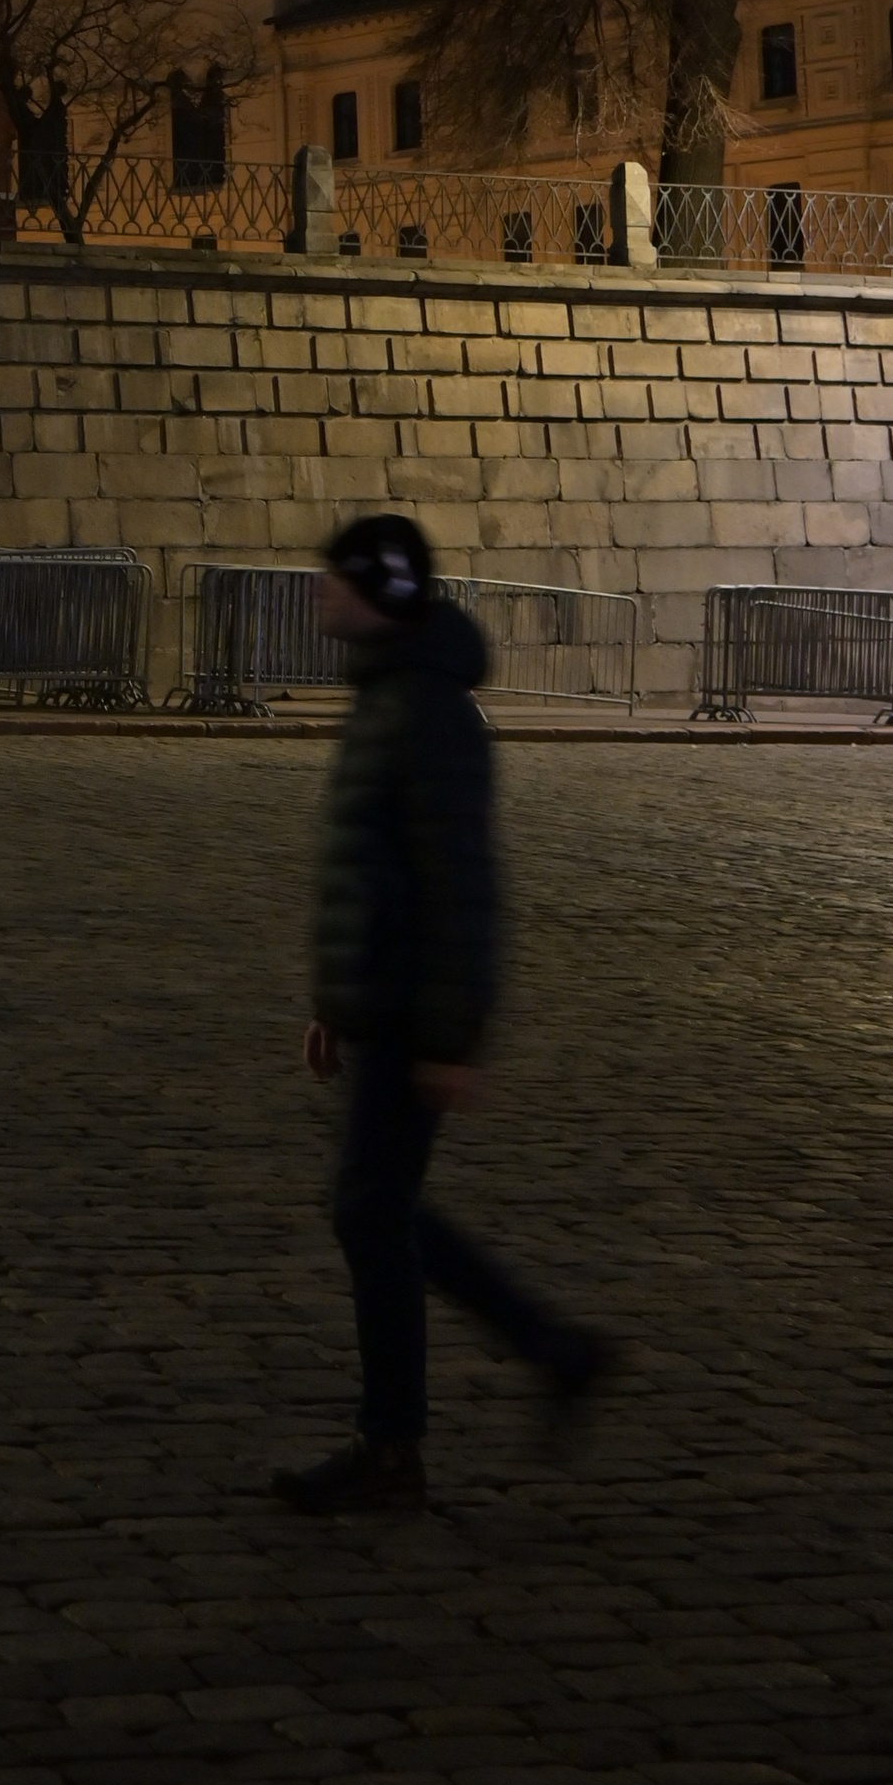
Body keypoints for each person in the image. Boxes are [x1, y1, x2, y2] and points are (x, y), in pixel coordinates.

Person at [273, 510, 612, 1514]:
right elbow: (364, 871)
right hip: (383, 1003)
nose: (319, 593)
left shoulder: (423, 709)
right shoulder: (388, 696)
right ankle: (543, 1356)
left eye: (335, 579)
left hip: (417, 1010)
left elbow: (457, 883)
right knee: (377, 1211)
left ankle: (405, 1439)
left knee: (370, 1211)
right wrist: (337, 1001)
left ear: (379, 591)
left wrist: (449, 1036)